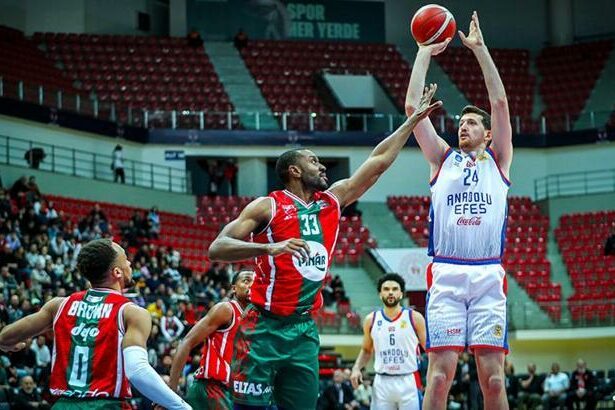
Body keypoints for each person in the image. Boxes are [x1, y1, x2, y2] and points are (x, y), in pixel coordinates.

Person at [208, 85, 442, 409]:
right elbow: (217, 247)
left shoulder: (331, 202)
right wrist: (268, 249)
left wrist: (411, 123)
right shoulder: (268, 206)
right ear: (294, 171)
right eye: (313, 161)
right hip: (263, 325)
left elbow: (377, 162)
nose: (322, 167)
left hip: (303, 329)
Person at [405, 11, 513, 410]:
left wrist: (480, 50)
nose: (461, 126)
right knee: (437, 379)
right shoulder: (441, 158)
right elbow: (413, 107)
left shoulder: (499, 159)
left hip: (487, 275)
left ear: (487, 133)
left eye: (470, 123)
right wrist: (423, 53)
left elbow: (499, 102)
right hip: (447, 274)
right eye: (460, 122)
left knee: (495, 383)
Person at [0, 238, 191, 409]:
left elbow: (6, 336)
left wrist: (7, 343)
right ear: (117, 272)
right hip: (105, 405)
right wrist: (181, 406)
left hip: (63, 405)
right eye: (125, 259)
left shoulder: (59, 305)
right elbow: (138, 370)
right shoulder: (131, 312)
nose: (130, 263)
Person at [169, 270, 255, 409]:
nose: (251, 285)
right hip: (211, 388)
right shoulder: (226, 309)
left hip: (234, 393)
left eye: (256, 282)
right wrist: (170, 391)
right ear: (233, 288)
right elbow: (186, 342)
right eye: (246, 281)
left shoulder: (256, 321)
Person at [350, 273, 426, 409]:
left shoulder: (414, 317)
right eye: (386, 289)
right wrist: (356, 368)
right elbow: (366, 350)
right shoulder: (370, 320)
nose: (390, 292)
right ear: (380, 294)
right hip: (381, 382)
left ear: (401, 294)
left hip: (408, 380)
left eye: (395, 289)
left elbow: (430, 351)